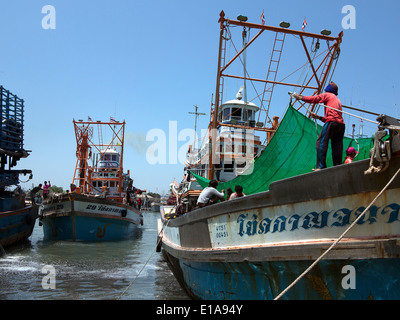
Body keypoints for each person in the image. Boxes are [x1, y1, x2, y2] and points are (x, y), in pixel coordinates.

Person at [293, 82, 345, 170]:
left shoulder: (328, 95)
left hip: (331, 123)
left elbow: (316, 99)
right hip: (341, 125)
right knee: (337, 147)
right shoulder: (337, 100)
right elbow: (335, 117)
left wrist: (301, 98)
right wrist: (319, 117)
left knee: (321, 143)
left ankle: (321, 167)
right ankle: (338, 167)